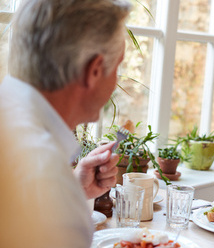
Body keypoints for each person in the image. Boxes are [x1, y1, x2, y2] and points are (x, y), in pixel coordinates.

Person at [0, 0, 131, 247]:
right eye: (118, 66)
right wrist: (63, 193)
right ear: (94, 70)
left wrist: (72, 187)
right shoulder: (44, 175)